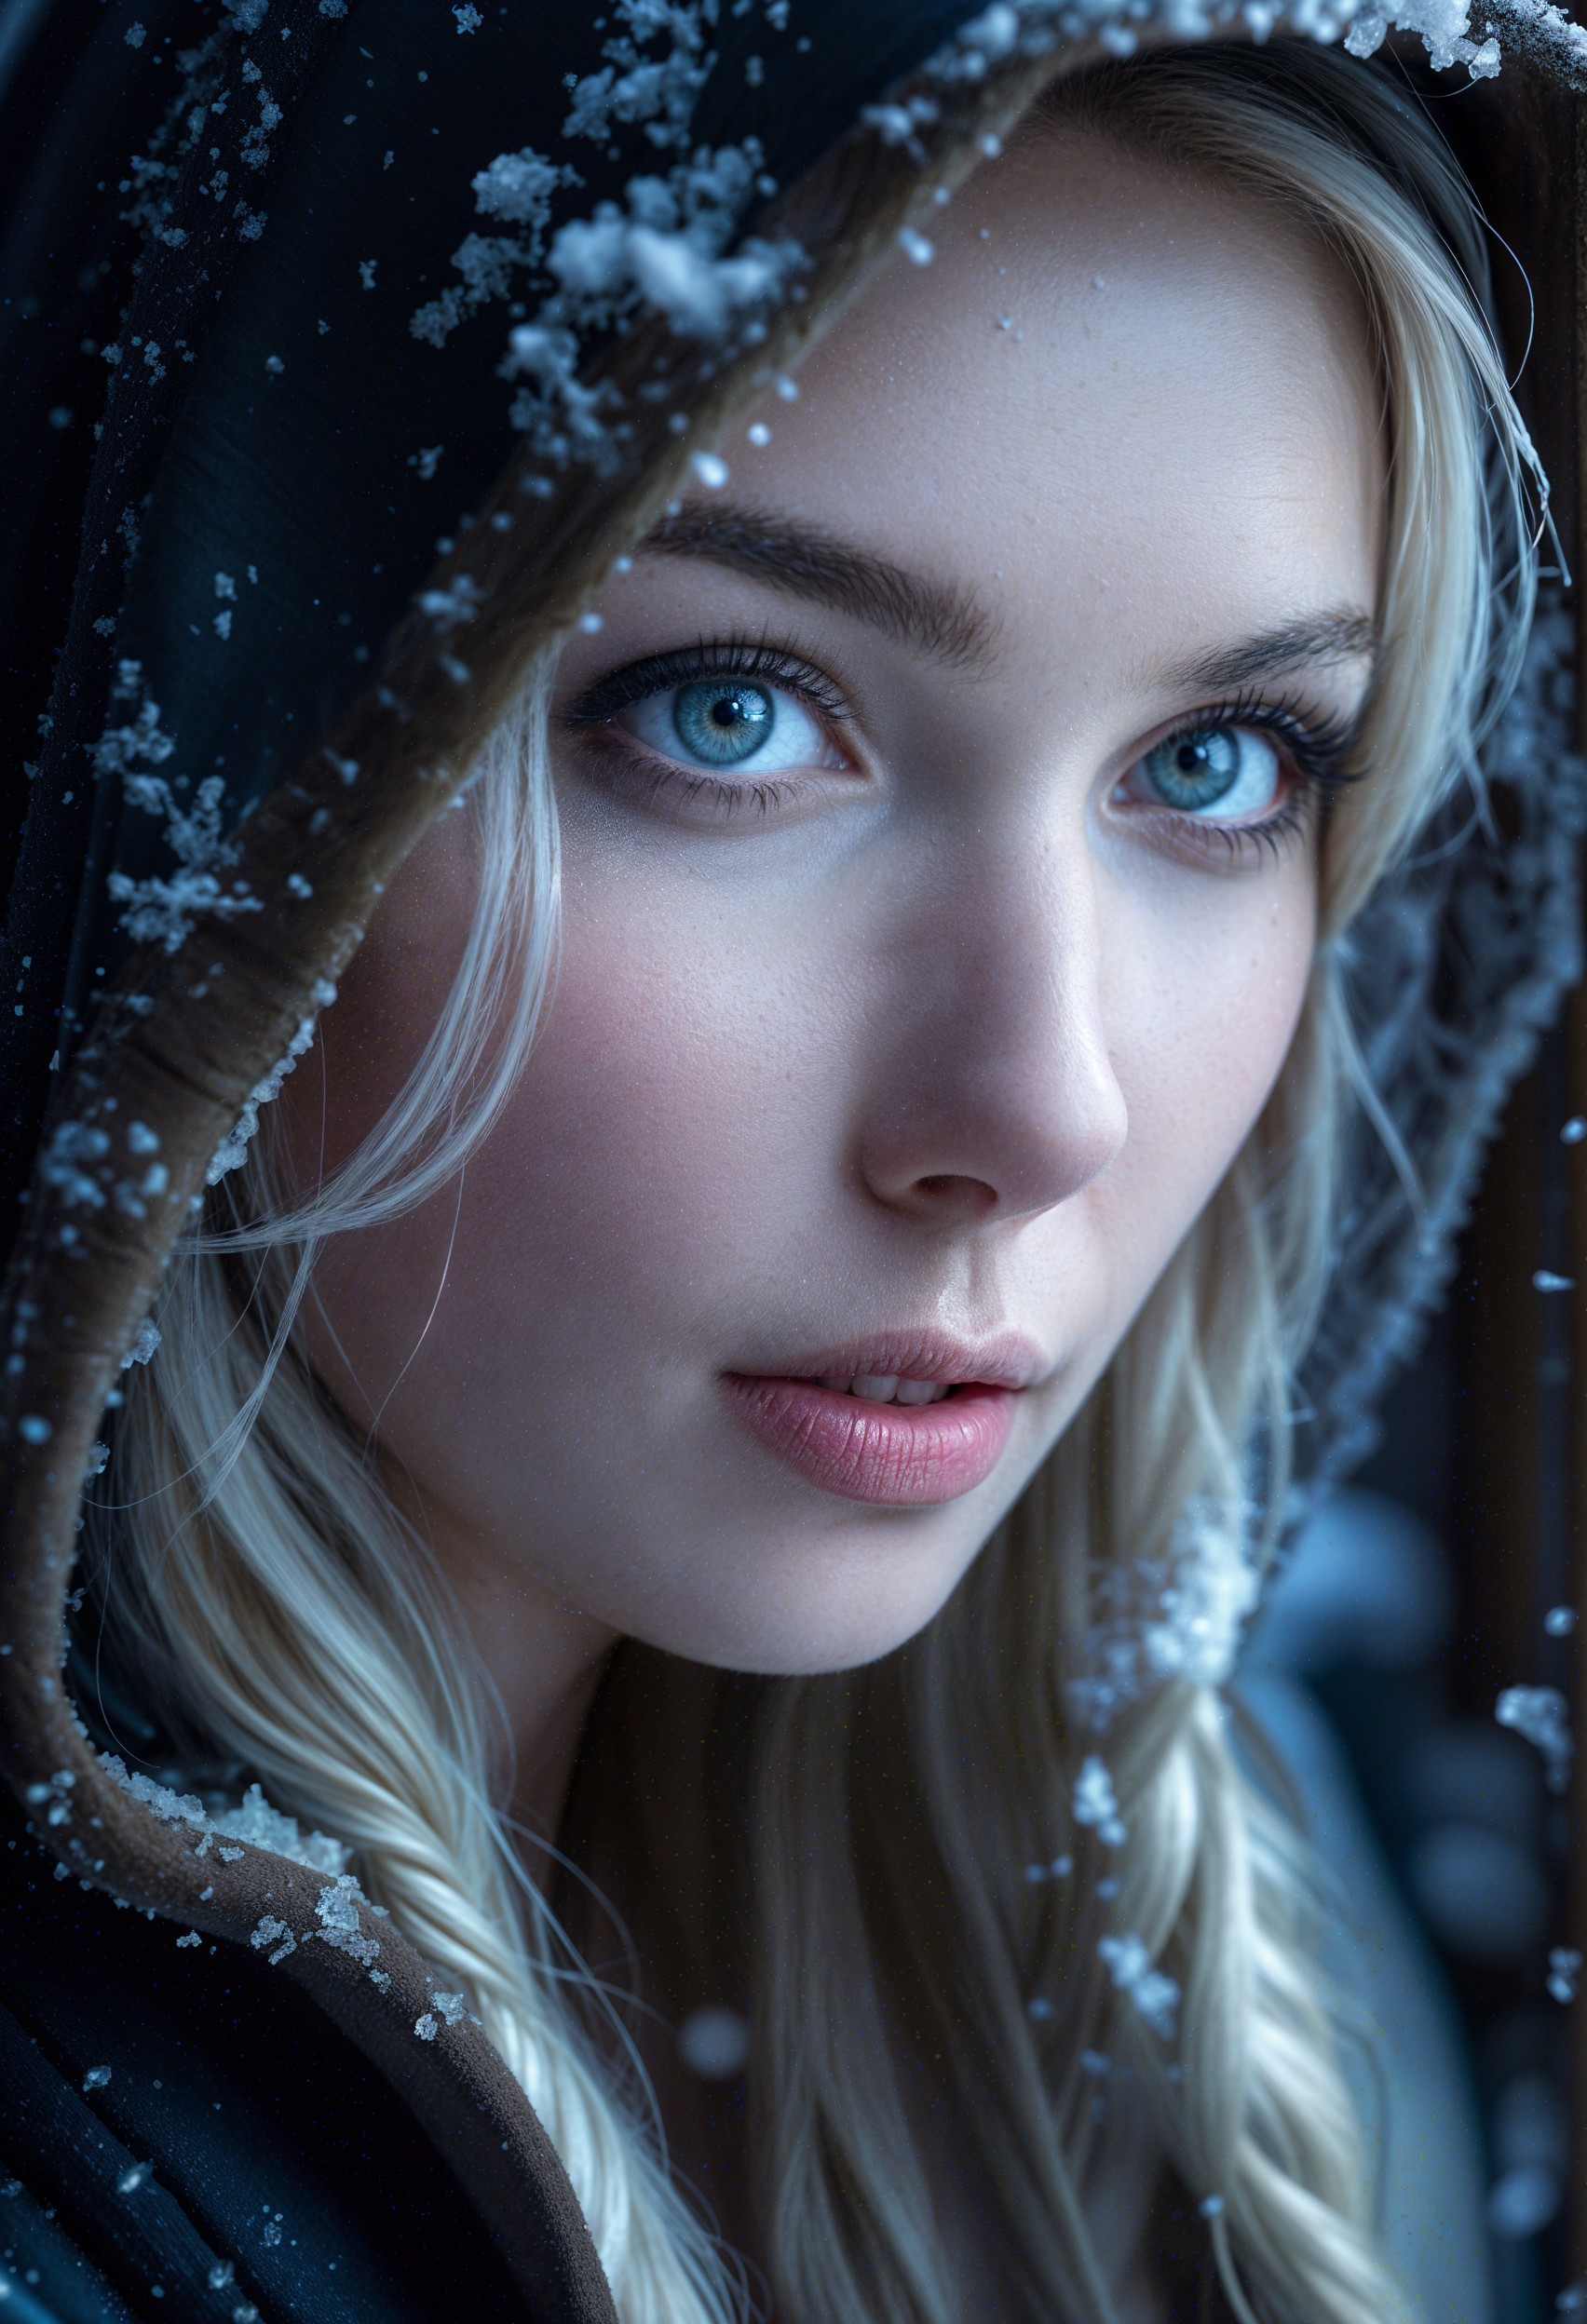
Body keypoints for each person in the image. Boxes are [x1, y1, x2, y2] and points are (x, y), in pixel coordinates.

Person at [0, 4, 1580, 2321]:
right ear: (223, 741)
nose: (1044, 1107)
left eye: (1224, 765)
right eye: (729, 715)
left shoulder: (1239, 2005)